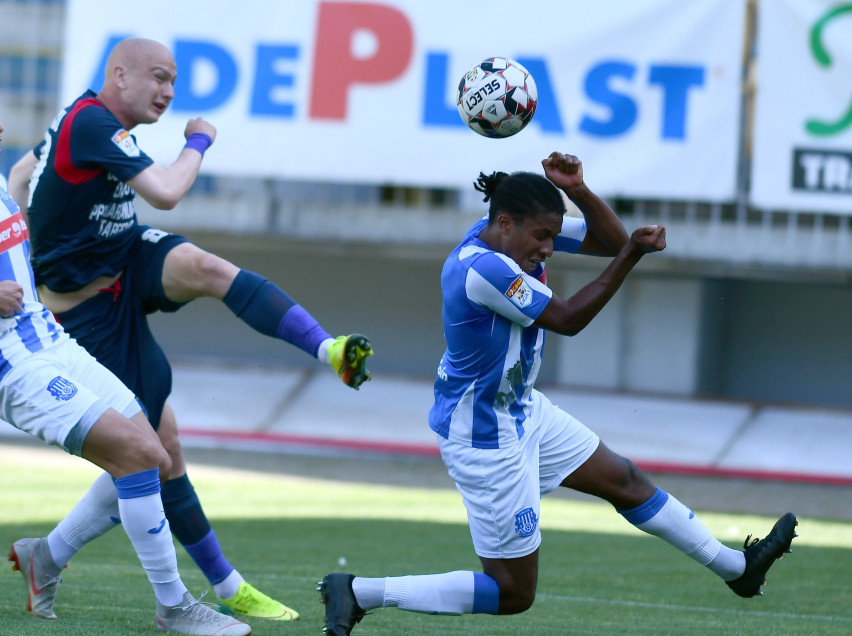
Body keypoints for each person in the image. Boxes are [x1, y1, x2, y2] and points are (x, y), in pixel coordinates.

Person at [317, 152, 798, 634]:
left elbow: (608, 241)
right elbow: (568, 318)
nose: (548, 247)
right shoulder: (483, 269)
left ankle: (738, 569)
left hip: (524, 412)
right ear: (504, 223)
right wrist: (633, 253)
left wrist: (580, 191)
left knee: (626, 481)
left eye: (552, 235)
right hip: (486, 438)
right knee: (512, 593)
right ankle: (358, 592)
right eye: (541, 236)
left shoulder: (507, 232)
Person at [0, 36, 371, 622]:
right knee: (156, 451)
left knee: (206, 267)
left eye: (173, 81)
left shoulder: (91, 122)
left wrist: (27, 237)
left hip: (123, 263)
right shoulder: (90, 124)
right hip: (87, 315)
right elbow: (167, 192)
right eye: (159, 78)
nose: (169, 92)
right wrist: (200, 140)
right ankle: (182, 585)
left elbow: (21, 173)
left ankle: (328, 348)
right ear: (119, 75)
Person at [0, 69, 251, 635]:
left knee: (152, 451)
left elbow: (12, 277)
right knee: (133, 451)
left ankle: (44, 558)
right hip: (13, 366)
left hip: (50, 343)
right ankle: (173, 607)